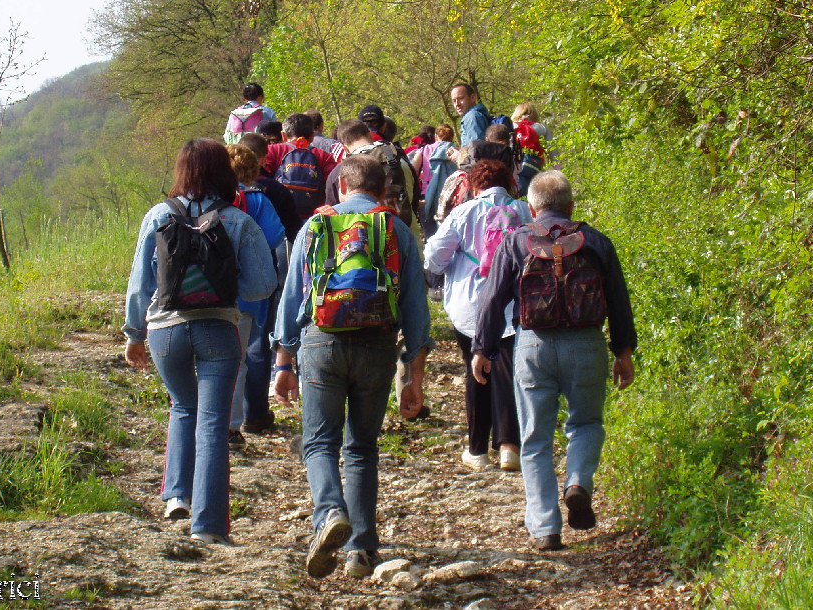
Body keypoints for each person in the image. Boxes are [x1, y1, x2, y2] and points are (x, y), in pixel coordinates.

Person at [271, 154, 433, 580]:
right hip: (377, 345)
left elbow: (291, 301)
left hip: (321, 342)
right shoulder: (397, 230)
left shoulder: (315, 226)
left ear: (341, 187)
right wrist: (414, 378)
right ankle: (361, 549)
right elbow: (417, 310)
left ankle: (328, 514)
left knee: (319, 442)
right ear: (383, 192)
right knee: (360, 447)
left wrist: (282, 363)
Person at [472, 170, 636, 551]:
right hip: (587, 344)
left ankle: (546, 527)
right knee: (586, 423)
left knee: (534, 439)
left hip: (533, 346)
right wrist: (623, 352)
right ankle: (577, 482)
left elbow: (492, 299)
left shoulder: (517, 242)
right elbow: (618, 299)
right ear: (571, 205)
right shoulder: (596, 242)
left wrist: (483, 348)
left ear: (531, 208)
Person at [124, 138, 277, 543]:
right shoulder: (236, 219)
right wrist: (228, 286)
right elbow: (263, 284)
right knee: (213, 421)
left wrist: (133, 334)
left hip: (164, 331)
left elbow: (139, 284)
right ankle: (208, 527)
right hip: (218, 329)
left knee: (182, 406)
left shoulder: (157, 215)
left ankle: (176, 495)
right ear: (223, 173)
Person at [424, 159, 528, 472]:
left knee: (476, 371)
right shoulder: (523, 211)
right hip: (512, 303)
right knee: (509, 371)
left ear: (473, 184)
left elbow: (435, 254)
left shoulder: (463, 212)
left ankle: (478, 449)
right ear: (509, 183)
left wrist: (436, 275)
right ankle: (509, 446)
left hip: (470, 305)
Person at [226, 145, 286, 442]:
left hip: (213, 289)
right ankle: (244, 420)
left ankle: (215, 419)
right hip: (251, 289)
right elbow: (276, 236)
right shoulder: (257, 200)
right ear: (253, 171)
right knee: (248, 353)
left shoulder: (208, 201)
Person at [262, 113, 336, 219]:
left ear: (283, 135)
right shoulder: (323, 156)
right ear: (312, 137)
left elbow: (263, 181)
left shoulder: (273, 150)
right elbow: (332, 187)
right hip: (314, 218)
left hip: (281, 216)